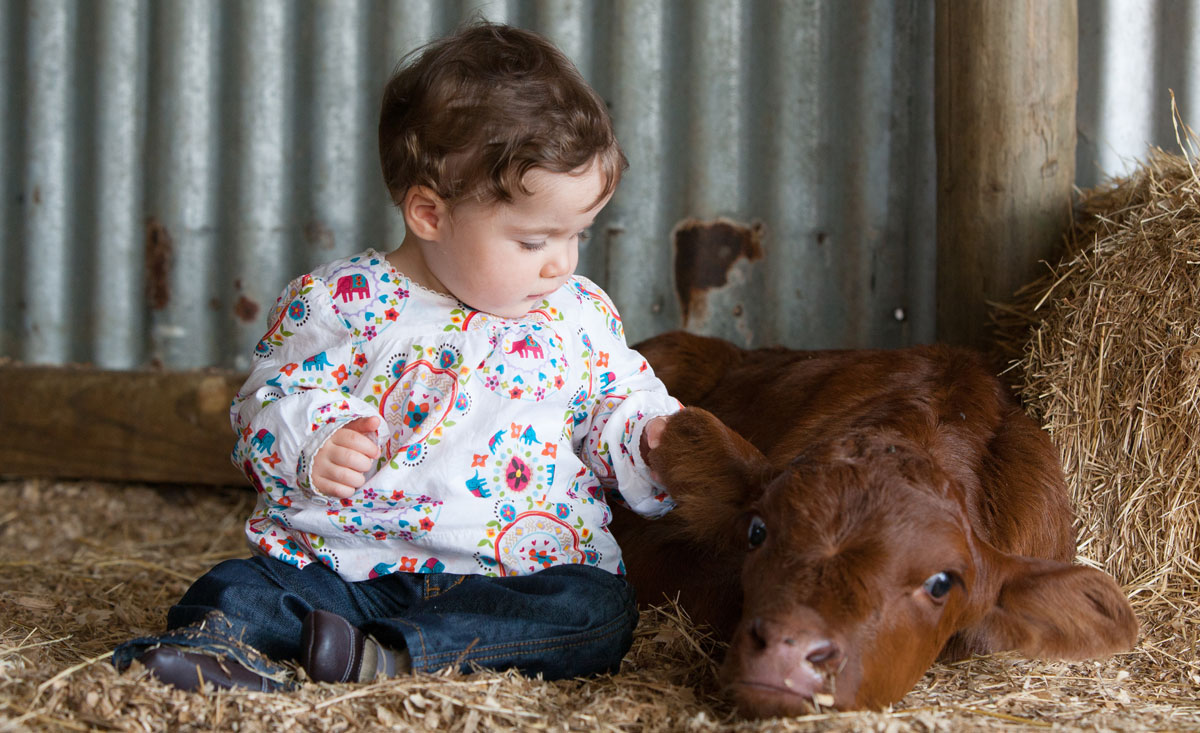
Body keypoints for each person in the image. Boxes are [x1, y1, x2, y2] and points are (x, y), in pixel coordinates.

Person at [112, 21, 681, 692]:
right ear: (429, 214)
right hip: (353, 568)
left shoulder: (578, 313)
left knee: (596, 611)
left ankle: (392, 655)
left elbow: (611, 407)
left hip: (517, 574)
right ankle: (216, 648)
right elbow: (265, 404)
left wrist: (648, 436)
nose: (562, 261)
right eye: (533, 241)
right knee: (243, 583)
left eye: (578, 233)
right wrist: (313, 441)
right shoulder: (340, 303)